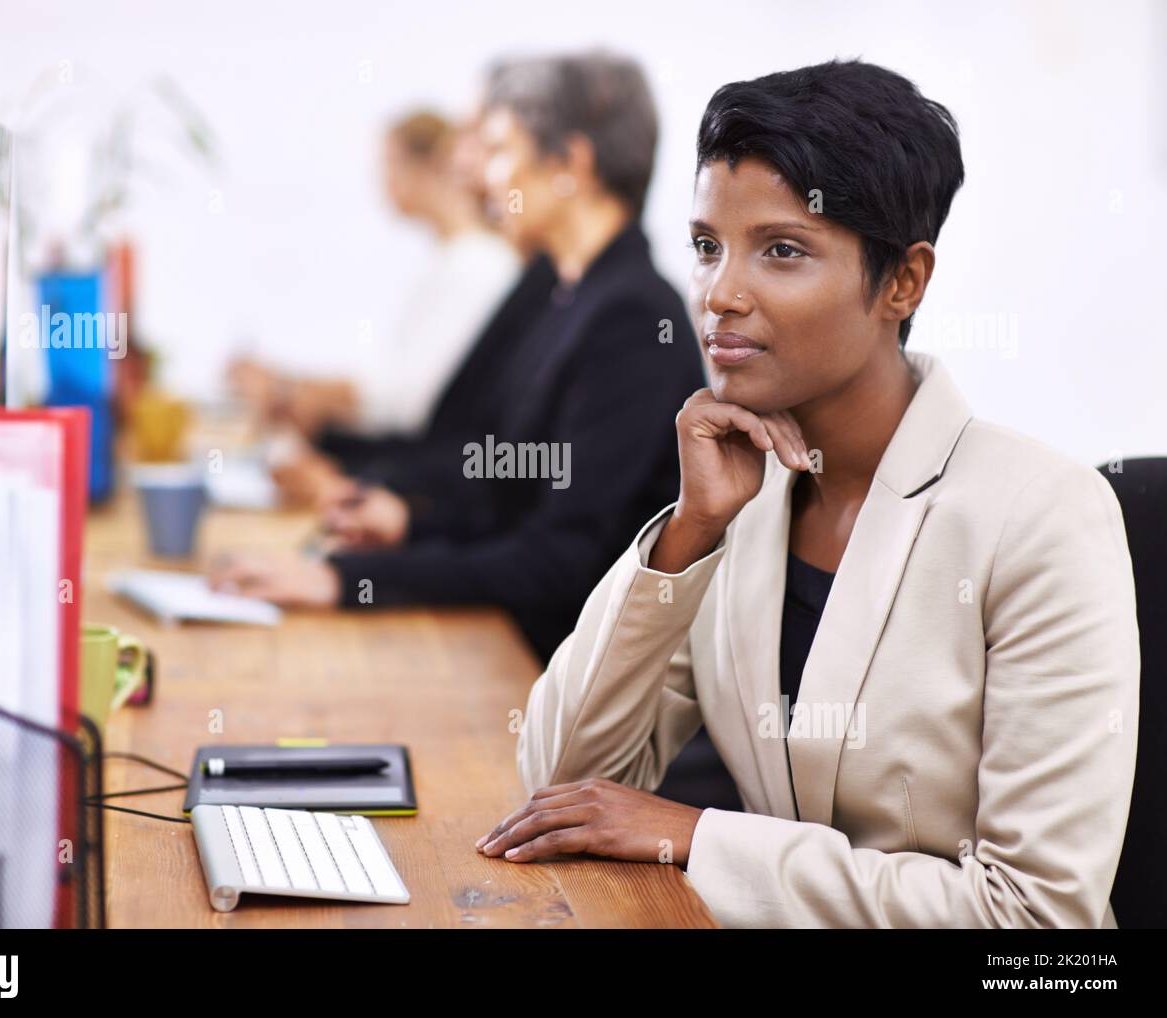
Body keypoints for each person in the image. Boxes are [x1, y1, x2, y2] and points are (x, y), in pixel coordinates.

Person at [477, 59, 1140, 929]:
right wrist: (693, 529)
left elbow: (1033, 921)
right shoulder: (744, 503)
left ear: (902, 282)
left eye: (781, 250)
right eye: (708, 246)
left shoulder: (1037, 516)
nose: (720, 294)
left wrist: (700, 838)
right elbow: (564, 784)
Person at [209, 52, 706, 665]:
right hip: (514, 642)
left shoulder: (633, 318)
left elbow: (563, 560)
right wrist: (405, 526)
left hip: (559, 676)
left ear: (571, 164)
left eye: (500, 151)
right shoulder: (564, 293)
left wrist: (351, 581)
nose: (483, 178)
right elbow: (503, 484)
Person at [228, 109, 520, 443]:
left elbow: (409, 402)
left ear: (429, 167)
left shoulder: (478, 264)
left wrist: (288, 389)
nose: (382, 182)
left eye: (388, 164)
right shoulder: (448, 258)